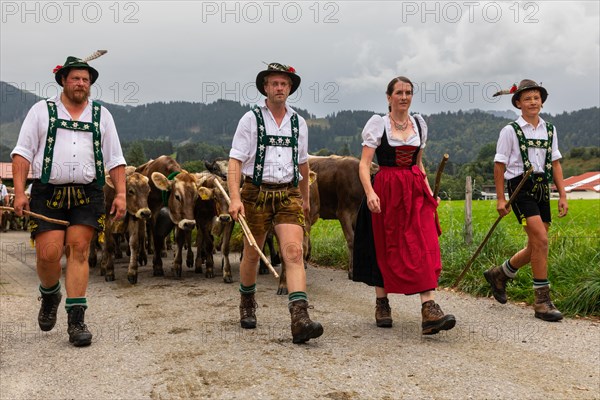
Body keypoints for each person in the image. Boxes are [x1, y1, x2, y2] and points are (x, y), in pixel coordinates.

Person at [11, 51, 127, 346]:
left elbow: (115, 158)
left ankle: (77, 321)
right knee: (48, 253)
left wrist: (122, 193)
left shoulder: (102, 115)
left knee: (79, 249)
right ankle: (50, 294)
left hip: (87, 193)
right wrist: (21, 191)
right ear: (63, 80)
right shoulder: (41, 111)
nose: (80, 84)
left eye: (85, 79)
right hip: (48, 192)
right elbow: (23, 153)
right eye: (75, 78)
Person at [227, 62, 323, 344]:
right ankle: (247, 301)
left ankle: (300, 318)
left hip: (288, 194)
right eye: (274, 83)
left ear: (290, 88)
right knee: (253, 253)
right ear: (265, 88)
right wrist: (235, 197)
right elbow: (235, 161)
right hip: (255, 193)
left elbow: (303, 164)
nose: (279, 88)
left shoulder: (299, 122)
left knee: (293, 253)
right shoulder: (250, 120)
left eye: (284, 83)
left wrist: (305, 198)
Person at [353, 76, 456, 335]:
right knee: (386, 244)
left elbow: (418, 164)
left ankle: (429, 308)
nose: (404, 97)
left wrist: (430, 193)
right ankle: (382, 302)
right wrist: (370, 192)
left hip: (413, 188)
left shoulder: (419, 124)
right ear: (389, 97)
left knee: (423, 241)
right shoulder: (378, 124)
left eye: (408, 92)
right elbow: (364, 164)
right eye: (398, 92)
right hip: (386, 188)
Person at [485, 79, 567, 322]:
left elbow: (556, 164)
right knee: (541, 240)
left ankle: (500, 273)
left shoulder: (549, 129)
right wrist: (501, 199)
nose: (533, 102)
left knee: (535, 245)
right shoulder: (510, 131)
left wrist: (562, 194)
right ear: (518, 103)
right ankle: (542, 301)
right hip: (520, 187)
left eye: (536, 97)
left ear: (542, 101)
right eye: (528, 98)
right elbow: (499, 165)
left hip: (542, 187)